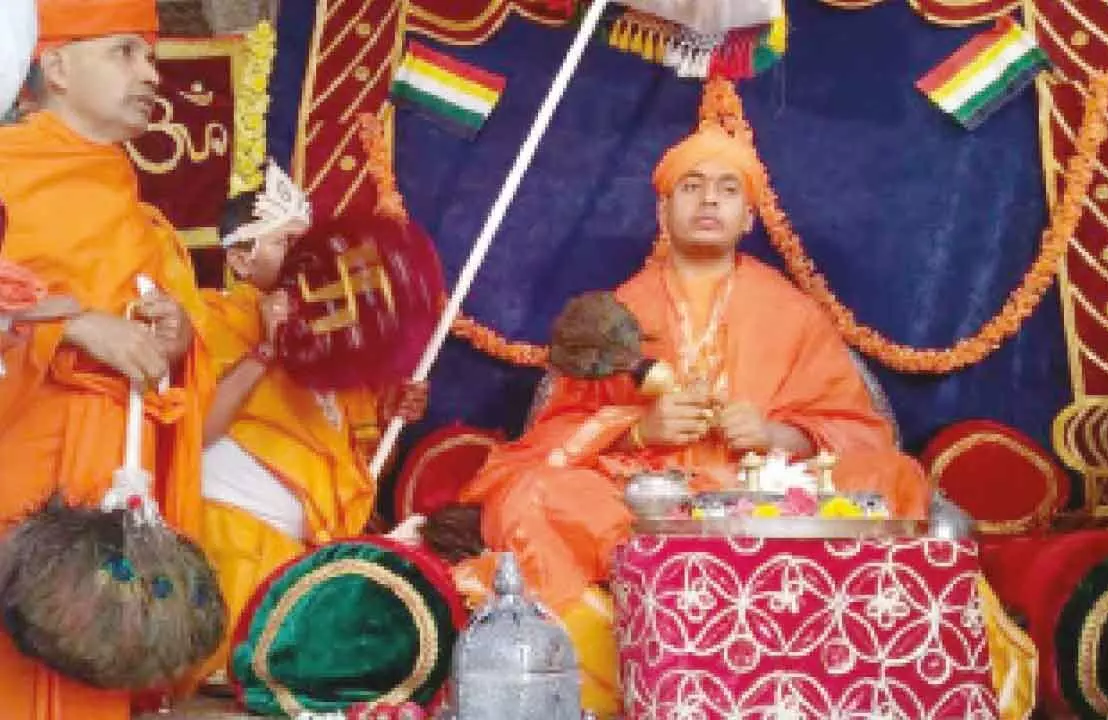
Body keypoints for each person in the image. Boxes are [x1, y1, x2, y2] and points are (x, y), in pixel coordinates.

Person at [455, 123, 930, 715]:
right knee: (530, 494)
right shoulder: (620, 311)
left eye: (728, 189)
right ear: (663, 209)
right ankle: (609, 637)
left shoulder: (792, 311)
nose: (709, 201)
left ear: (749, 216)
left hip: (768, 498)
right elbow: (552, 433)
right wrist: (637, 431)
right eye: (692, 187)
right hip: (645, 504)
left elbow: (858, 425)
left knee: (893, 475)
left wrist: (777, 436)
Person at [0, 1, 215, 718]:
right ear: (55, 66)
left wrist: (178, 337)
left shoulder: (119, 189)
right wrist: (76, 329)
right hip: (21, 484)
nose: (152, 74)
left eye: (151, 56)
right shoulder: (9, 173)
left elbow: (166, 351)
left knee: (93, 664)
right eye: (126, 52)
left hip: (109, 483)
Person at [195, 167, 428, 688]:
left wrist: (391, 417)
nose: (308, 257)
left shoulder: (338, 343)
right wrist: (265, 352)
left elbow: (361, 475)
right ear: (239, 258)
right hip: (226, 549)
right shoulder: (208, 318)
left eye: (309, 242)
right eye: (286, 242)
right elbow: (196, 431)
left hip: (305, 562)